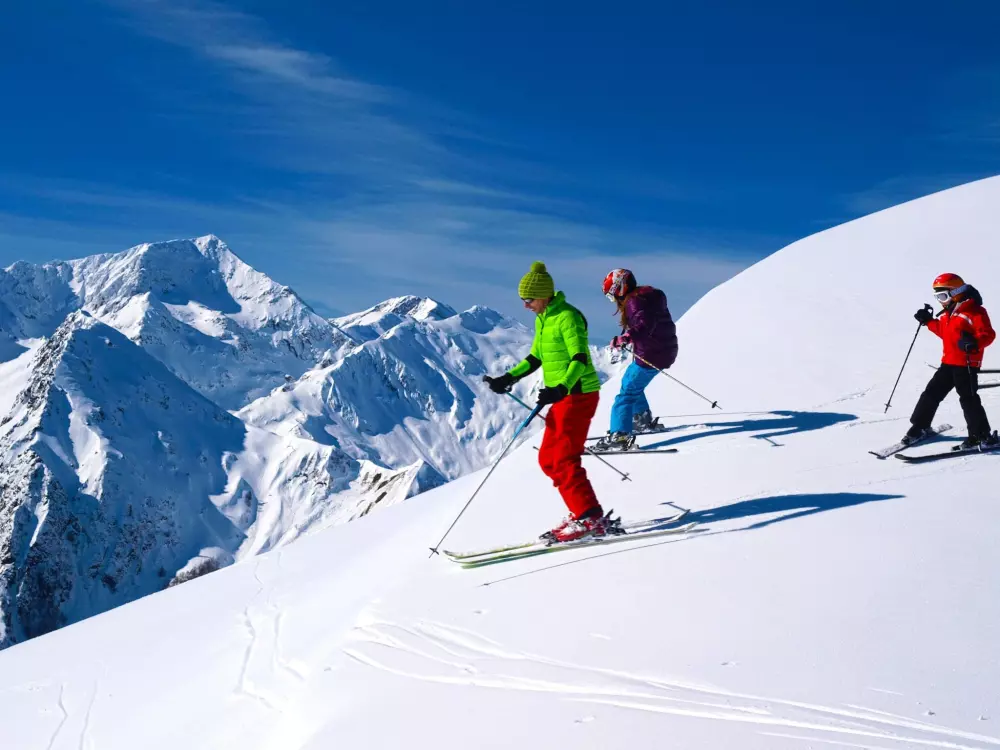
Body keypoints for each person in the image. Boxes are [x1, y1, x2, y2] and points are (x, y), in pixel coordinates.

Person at [483, 261, 605, 542]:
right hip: (562, 395)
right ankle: (582, 512)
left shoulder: (568, 317)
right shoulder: (544, 318)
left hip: (578, 394)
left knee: (563, 457)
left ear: (543, 294)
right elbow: (536, 357)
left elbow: (579, 358)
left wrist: (562, 387)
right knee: (547, 458)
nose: (525, 305)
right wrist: (507, 379)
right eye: (522, 300)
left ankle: (590, 518)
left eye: (528, 299)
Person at [905, 273, 998, 450]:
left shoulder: (975, 312)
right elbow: (945, 332)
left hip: (967, 364)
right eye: (937, 297)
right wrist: (929, 321)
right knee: (931, 393)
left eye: (943, 296)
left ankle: (981, 436)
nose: (940, 301)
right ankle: (920, 426)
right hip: (948, 362)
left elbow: (988, 334)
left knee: (968, 399)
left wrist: (974, 343)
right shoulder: (950, 312)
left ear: (956, 292)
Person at [595, 268, 678, 451]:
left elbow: (644, 324)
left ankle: (620, 436)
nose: (613, 300)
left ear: (620, 289)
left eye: (612, 296)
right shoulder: (648, 298)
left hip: (651, 354)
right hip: (663, 351)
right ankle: (642, 418)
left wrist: (626, 337)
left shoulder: (635, 302)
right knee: (631, 384)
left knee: (625, 396)